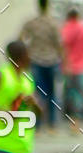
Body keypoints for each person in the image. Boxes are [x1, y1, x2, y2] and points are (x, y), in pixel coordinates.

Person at [21, 0, 62, 131]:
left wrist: (28, 52)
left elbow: (21, 39)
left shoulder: (31, 23)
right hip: (52, 61)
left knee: (38, 93)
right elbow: (59, 44)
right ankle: (52, 125)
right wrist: (62, 60)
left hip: (36, 61)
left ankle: (37, 125)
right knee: (52, 94)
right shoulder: (53, 24)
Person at [60, 7, 83, 128]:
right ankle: (79, 118)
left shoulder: (65, 30)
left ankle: (74, 119)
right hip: (82, 67)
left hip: (69, 68)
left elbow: (62, 50)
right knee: (81, 93)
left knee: (71, 93)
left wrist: (64, 65)